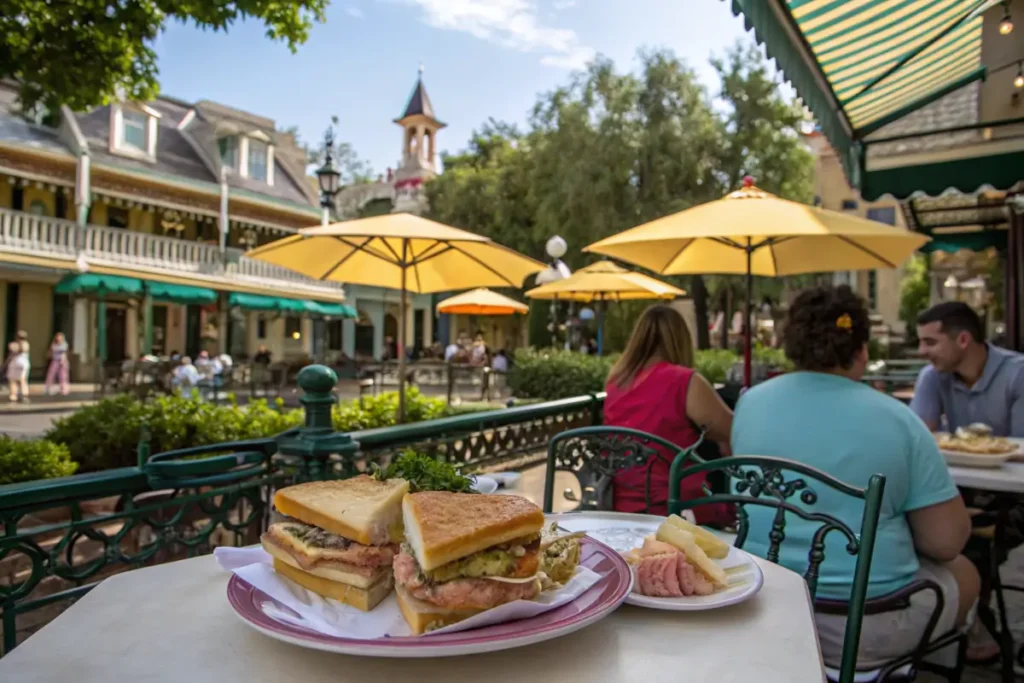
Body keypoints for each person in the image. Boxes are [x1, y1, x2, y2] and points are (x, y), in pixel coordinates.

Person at [731, 286, 976, 669]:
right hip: (864, 626)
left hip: (763, 607)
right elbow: (946, 542)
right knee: (964, 571)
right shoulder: (898, 418)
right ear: (862, 350)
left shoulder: (749, 404)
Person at [603, 304, 734, 523]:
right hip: (679, 507)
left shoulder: (616, 383)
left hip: (621, 505)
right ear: (680, 340)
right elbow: (733, 431)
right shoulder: (684, 381)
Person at [911, 301, 1024, 436]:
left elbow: (1021, 447)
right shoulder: (932, 375)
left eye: (930, 342)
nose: (921, 351)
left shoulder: (1017, 373)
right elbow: (917, 437)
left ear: (963, 340)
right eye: (920, 342)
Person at [5, 331, 30, 402]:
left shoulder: (12, 344)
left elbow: (10, 355)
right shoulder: (26, 344)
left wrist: (5, 364)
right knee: (23, 379)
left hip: (14, 363)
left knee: (13, 380)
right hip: (24, 363)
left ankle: (13, 395)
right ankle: (24, 394)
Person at [45, 332, 70, 396]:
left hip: (62, 361)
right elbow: (51, 351)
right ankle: (48, 389)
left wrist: (63, 361)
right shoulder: (54, 344)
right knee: (51, 375)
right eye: (57, 337)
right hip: (55, 360)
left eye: (59, 337)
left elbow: (64, 351)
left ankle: (64, 390)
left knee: (63, 376)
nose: (58, 338)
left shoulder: (64, 344)